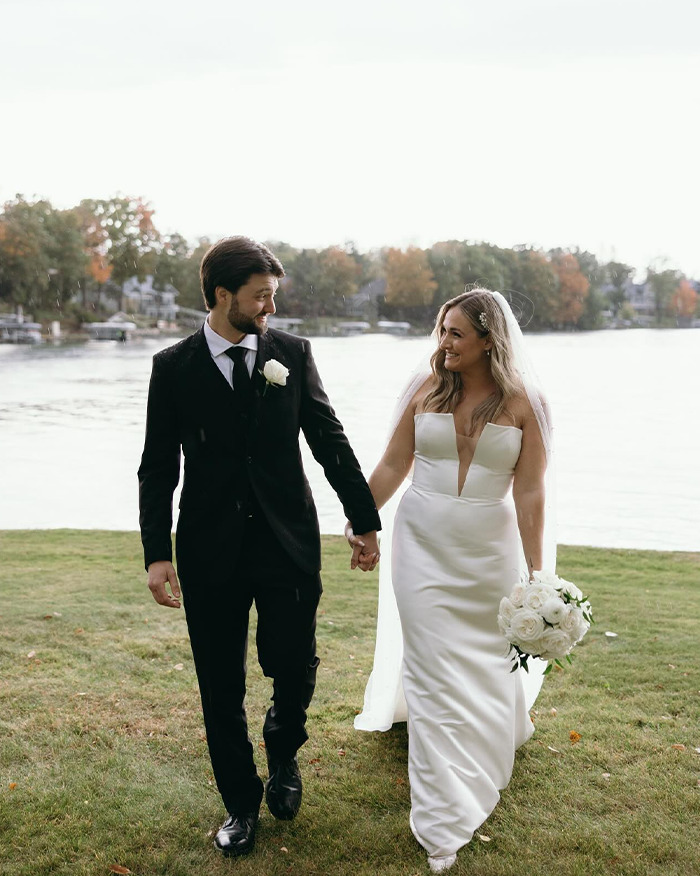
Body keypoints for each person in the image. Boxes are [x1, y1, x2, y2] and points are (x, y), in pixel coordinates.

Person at [137, 236, 380, 858]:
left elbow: (329, 438)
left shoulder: (292, 355)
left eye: (273, 296)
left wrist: (364, 517)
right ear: (224, 297)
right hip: (208, 548)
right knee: (220, 684)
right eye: (260, 297)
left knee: (295, 663)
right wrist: (155, 554)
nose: (270, 308)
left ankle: (283, 746)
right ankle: (241, 805)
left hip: (287, 541)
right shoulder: (173, 367)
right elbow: (157, 467)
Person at [347, 289, 554, 872]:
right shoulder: (425, 390)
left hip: (488, 551)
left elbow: (531, 491)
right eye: (441, 330)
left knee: (486, 658)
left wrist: (537, 574)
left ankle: (496, 728)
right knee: (432, 664)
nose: (443, 343)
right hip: (422, 547)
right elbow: (392, 465)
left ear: (490, 339)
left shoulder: (524, 403)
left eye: (456, 333)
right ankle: (443, 816)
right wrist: (363, 523)